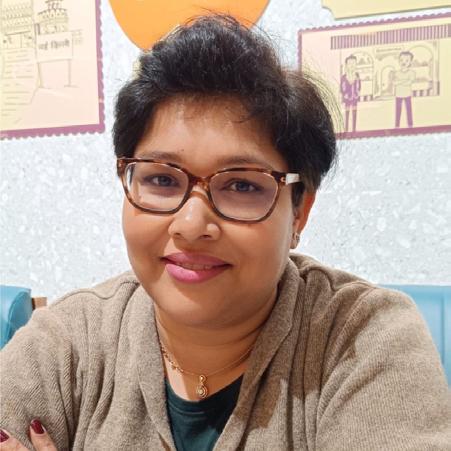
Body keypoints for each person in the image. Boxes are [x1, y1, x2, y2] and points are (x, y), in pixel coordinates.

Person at [1, 15, 450, 451]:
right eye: (162, 179)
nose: (191, 225)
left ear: (299, 212)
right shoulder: (69, 340)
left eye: (242, 186)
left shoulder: (361, 338)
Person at [393, 50, 415, 128]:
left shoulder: (411, 72)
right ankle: (397, 125)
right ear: (399, 61)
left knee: (409, 110)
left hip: (407, 94)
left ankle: (410, 125)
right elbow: (394, 82)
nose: (403, 62)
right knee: (398, 111)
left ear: (410, 62)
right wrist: (405, 80)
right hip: (398, 95)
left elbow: (409, 82)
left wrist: (400, 81)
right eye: (401, 60)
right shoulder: (396, 73)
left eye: (406, 60)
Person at [340, 54, 361, 133]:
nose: (352, 65)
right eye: (350, 63)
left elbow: (359, 85)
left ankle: (354, 129)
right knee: (347, 113)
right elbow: (342, 87)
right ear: (346, 65)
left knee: (355, 113)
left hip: (354, 97)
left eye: (354, 63)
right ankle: (346, 129)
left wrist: (358, 92)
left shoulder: (357, 75)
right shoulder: (344, 77)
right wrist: (344, 94)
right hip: (347, 97)